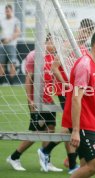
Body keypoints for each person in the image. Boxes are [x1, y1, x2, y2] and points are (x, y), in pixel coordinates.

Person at [40, 18, 95, 174]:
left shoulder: (83, 47)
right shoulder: (68, 44)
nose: (86, 34)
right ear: (79, 29)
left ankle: (72, 164)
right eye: (85, 31)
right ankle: (48, 152)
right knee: (71, 126)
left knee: (72, 127)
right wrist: (65, 83)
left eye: (89, 32)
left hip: (74, 90)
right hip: (65, 90)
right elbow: (54, 67)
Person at [62, 29, 95, 178]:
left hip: (89, 121)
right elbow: (76, 99)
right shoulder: (85, 65)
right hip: (82, 124)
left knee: (85, 164)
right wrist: (76, 130)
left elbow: (89, 96)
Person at [6, 33, 62, 172]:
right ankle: (14, 157)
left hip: (49, 100)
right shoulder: (34, 55)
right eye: (54, 42)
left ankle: (46, 162)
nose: (56, 46)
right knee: (37, 132)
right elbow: (28, 79)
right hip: (37, 100)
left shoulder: (54, 57)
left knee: (50, 130)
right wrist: (30, 99)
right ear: (47, 41)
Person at [0, 4, 21, 85]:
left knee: (12, 64)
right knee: (1, 64)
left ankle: (11, 82)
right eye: (6, 11)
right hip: (2, 45)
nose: (7, 12)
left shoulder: (16, 20)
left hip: (11, 45)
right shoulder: (2, 21)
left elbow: (18, 32)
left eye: (8, 11)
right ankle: (1, 82)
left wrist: (9, 39)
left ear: (11, 11)